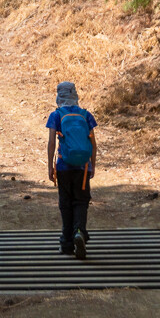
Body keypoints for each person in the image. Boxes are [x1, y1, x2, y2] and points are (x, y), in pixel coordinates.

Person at [46, 81, 97, 259]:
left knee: (65, 203)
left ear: (58, 96)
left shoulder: (56, 115)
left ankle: (66, 243)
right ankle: (79, 232)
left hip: (63, 166)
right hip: (82, 167)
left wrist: (49, 167)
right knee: (81, 202)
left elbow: (52, 142)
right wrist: (93, 165)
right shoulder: (85, 115)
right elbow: (92, 142)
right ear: (75, 95)